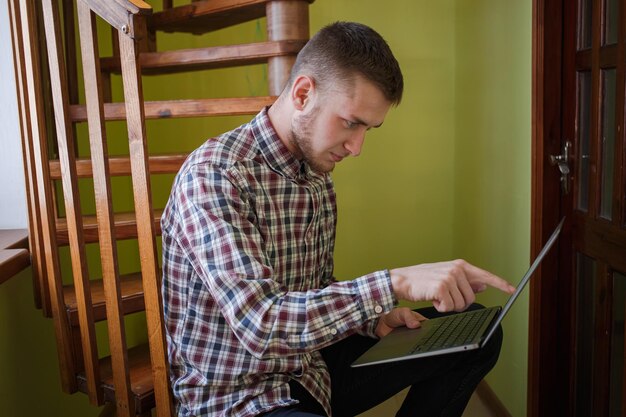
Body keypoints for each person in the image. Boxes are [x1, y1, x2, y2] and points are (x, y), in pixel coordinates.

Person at [161, 21, 516, 417]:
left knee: (477, 331)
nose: (357, 146)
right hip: (239, 398)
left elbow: (315, 288)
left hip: (312, 372)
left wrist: (373, 319)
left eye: (369, 128)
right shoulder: (214, 175)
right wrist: (394, 282)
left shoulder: (316, 176)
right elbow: (261, 325)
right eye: (351, 122)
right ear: (302, 94)